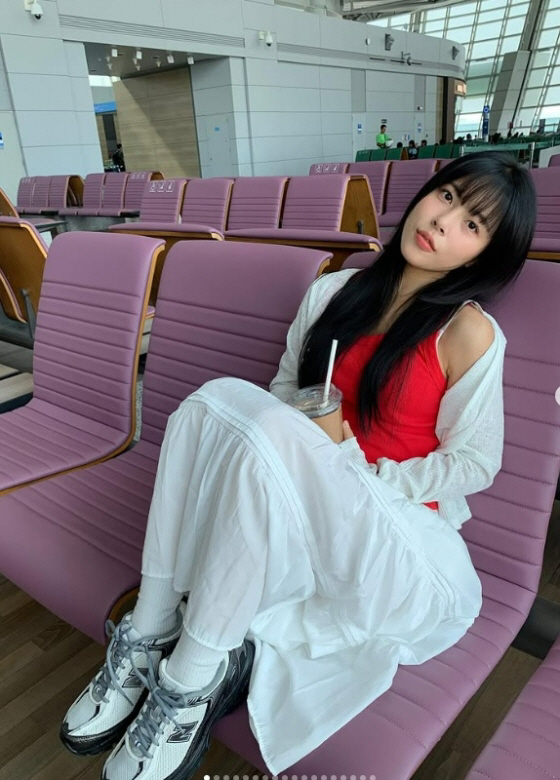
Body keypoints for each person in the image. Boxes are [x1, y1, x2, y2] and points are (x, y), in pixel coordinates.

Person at [60, 152, 536, 780]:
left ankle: (189, 684)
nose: (444, 222)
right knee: (208, 403)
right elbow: (285, 388)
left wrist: (362, 471)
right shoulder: (334, 293)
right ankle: (147, 632)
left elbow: (475, 463)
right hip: (309, 504)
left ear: (483, 255)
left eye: (473, 225)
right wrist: (311, 433)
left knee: (235, 413)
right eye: (447, 196)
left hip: (392, 530)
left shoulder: (468, 333)